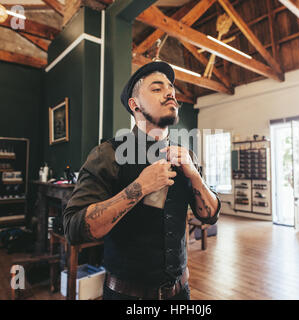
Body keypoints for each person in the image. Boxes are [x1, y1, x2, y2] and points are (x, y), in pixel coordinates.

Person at [63, 61, 221, 300]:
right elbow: (74, 228)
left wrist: (195, 176)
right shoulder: (107, 154)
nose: (170, 93)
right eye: (157, 88)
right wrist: (139, 187)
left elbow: (210, 215)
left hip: (180, 294)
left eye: (171, 88)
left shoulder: (187, 156)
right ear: (134, 105)